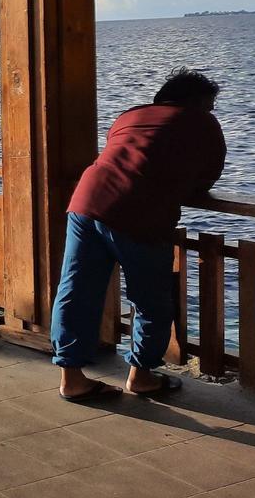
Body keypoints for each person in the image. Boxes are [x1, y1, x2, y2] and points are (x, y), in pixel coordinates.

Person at [51, 68, 226, 402]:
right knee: (150, 301)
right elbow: (207, 177)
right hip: (138, 213)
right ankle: (141, 375)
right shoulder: (201, 122)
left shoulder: (130, 115)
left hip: (87, 202)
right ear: (200, 102)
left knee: (76, 290)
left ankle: (71, 379)